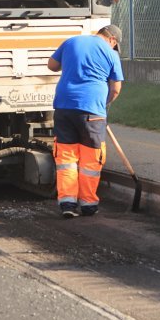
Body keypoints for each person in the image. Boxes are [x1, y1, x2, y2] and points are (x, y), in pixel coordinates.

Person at [47, 24, 124, 218]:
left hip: (64, 106)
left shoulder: (72, 41)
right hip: (93, 110)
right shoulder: (111, 53)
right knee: (91, 159)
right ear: (112, 40)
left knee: (66, 158)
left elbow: (52, 65)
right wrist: (104, 106)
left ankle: (67, 203)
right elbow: (115, 89)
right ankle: (88, 203)